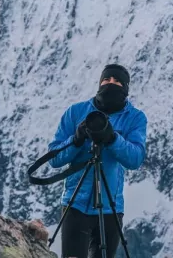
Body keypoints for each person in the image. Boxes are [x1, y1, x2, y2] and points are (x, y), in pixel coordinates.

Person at [48, 64, 147, 258]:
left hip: (111, 206)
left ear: (125, 87)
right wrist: (76, 139)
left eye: (117, 81)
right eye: (106, 80)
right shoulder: (76, 112)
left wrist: (112, 138)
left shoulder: (135, 118)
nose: (111, 83)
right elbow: (54, 158)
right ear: (99, 83)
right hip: (75, 203)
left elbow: (135, 159)